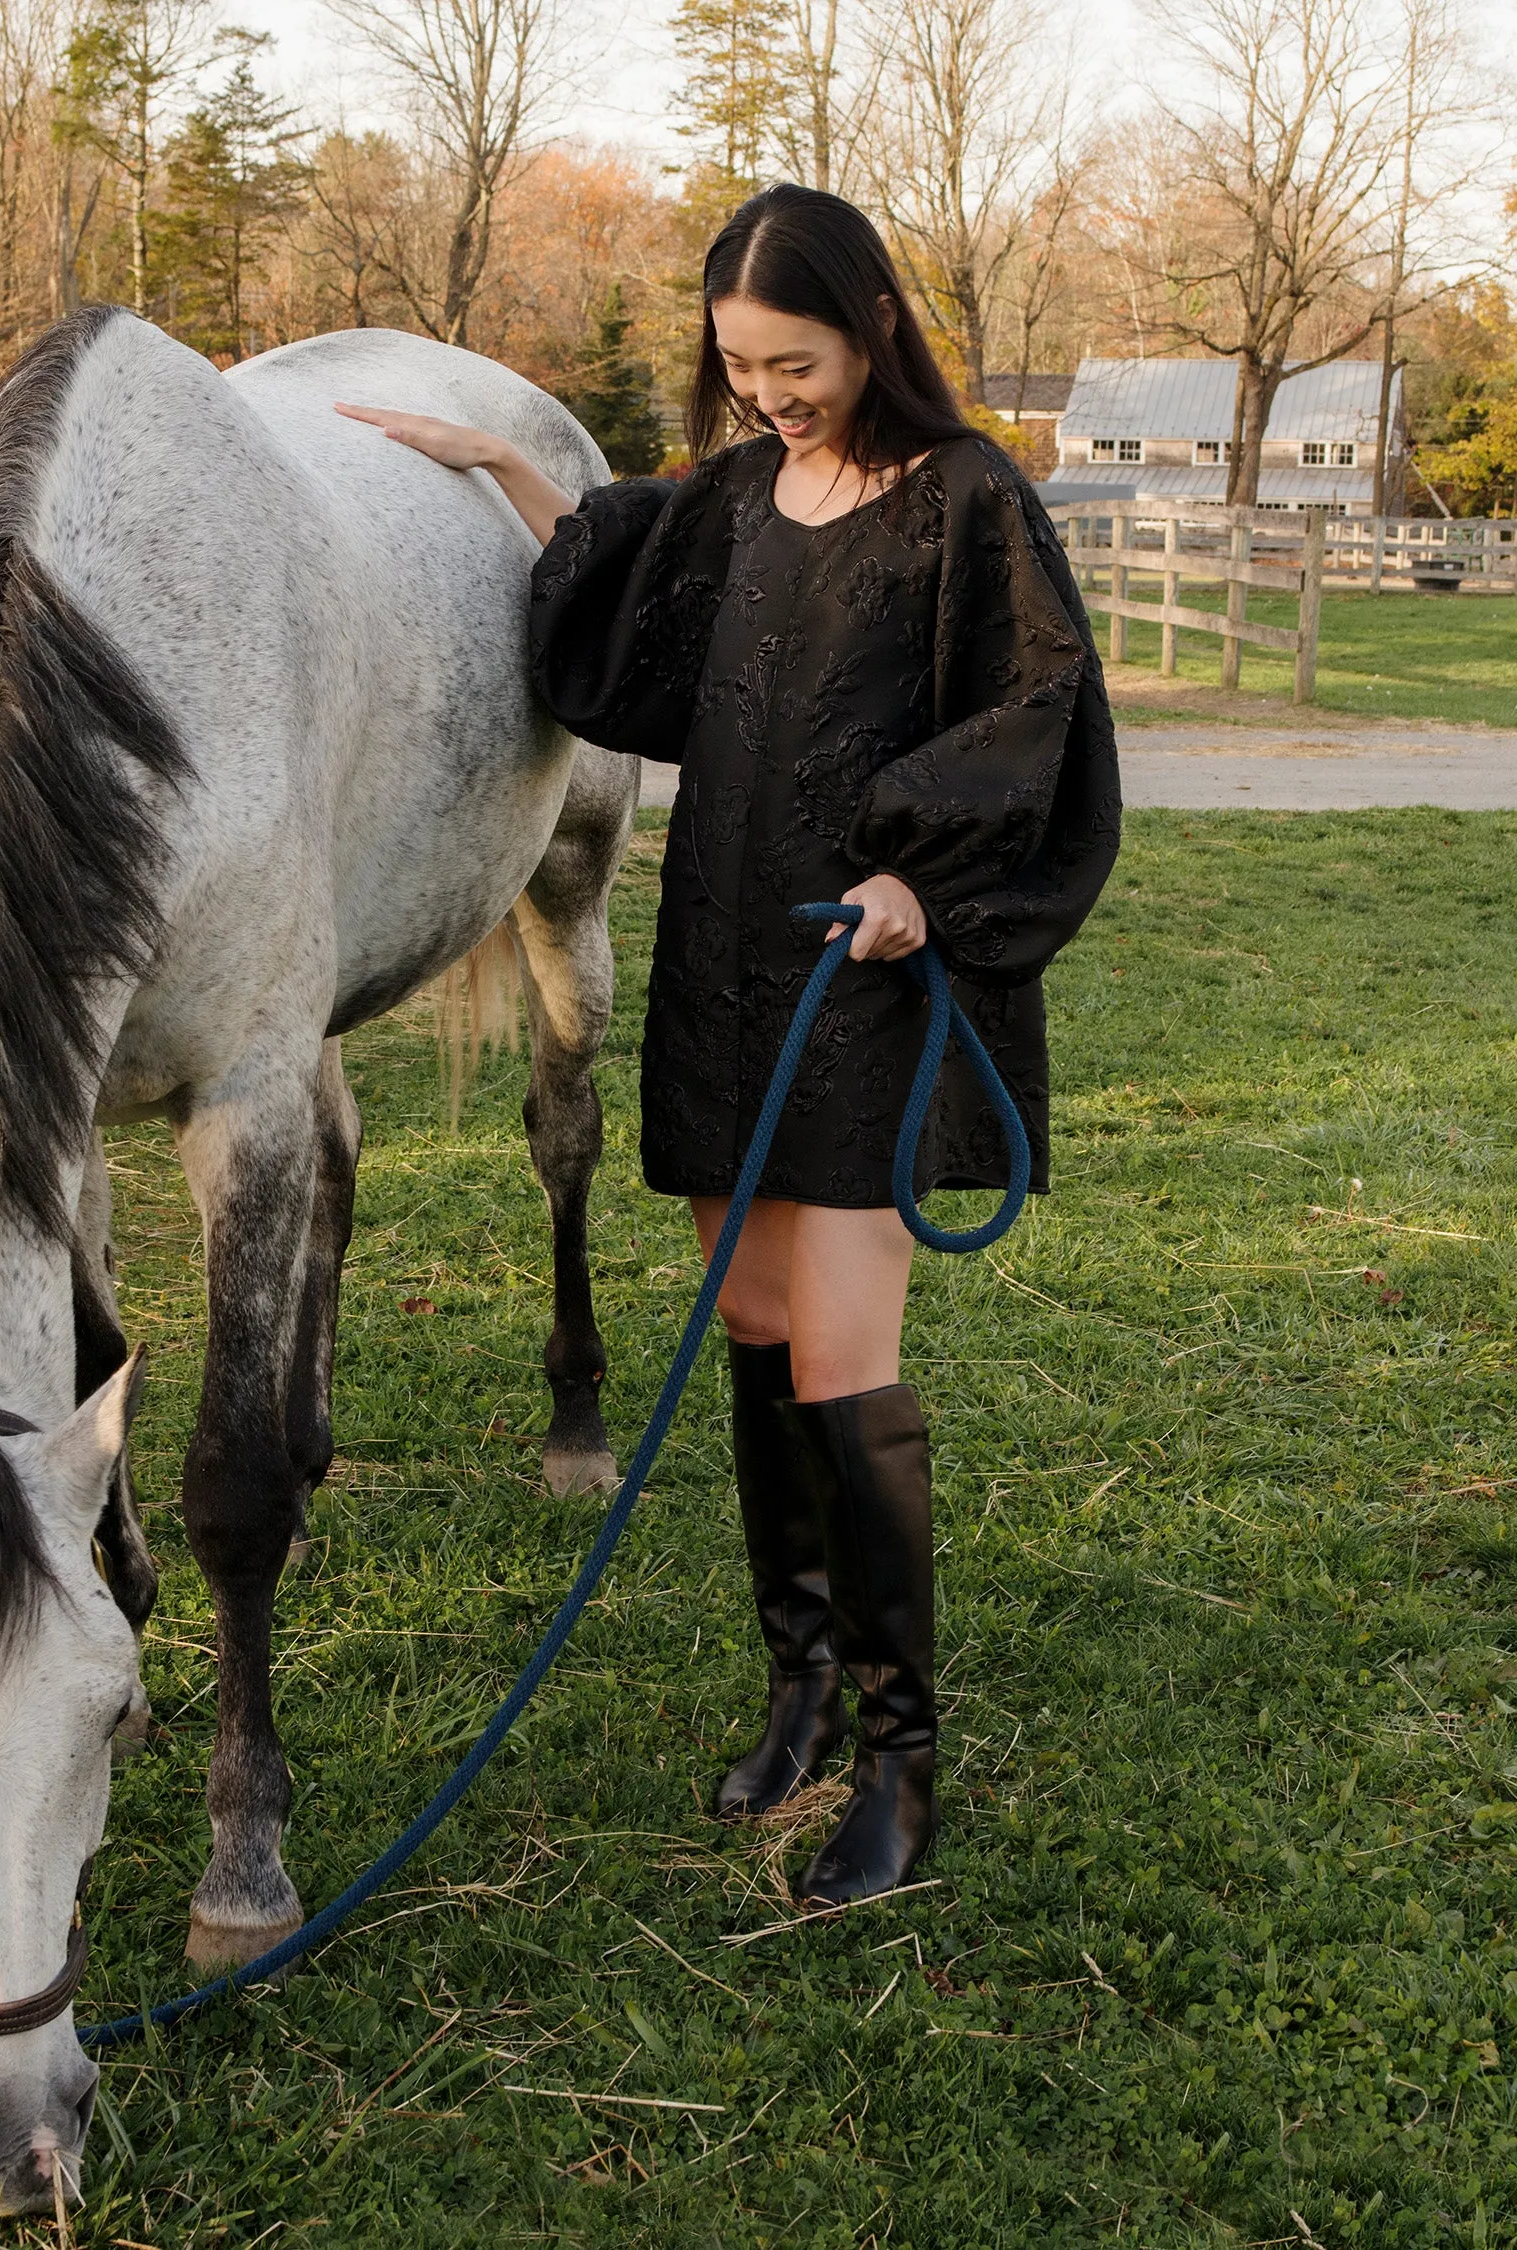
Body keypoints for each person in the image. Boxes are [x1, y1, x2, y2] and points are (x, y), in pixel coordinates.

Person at [336, 183, 1119, 1906]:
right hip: (722, 969)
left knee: (847, 1367)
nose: (769, 392)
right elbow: (626, 609)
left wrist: (923, 879)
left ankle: (904, 1762)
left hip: (867, 980)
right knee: (754, 1336)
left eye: (798, 359)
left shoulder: (972, 501)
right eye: (743, 364)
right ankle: (802, 1682)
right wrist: (493, 460)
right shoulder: (750, 492)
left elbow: (1041, 723)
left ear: (876, 329)